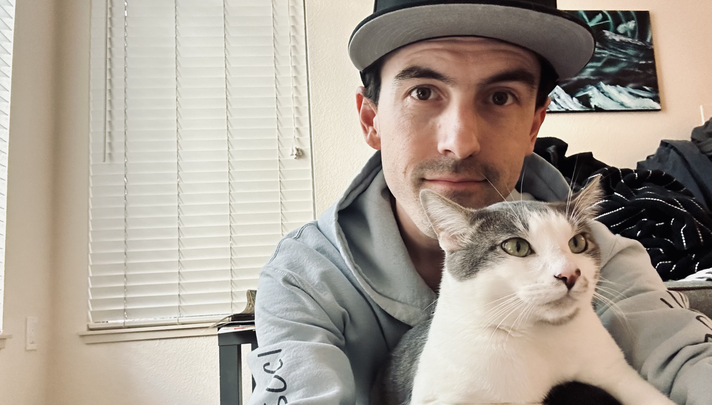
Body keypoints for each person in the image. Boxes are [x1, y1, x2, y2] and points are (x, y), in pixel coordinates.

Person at [246, 1, 712, 404]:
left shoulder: (596, 251)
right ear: (371, 120)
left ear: (534, 127)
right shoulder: (303, 277)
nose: (460, 142)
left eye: (500, 97)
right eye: (423, 93)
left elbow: (687, 356)